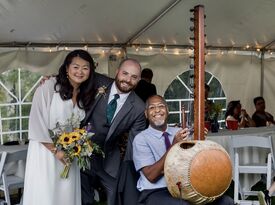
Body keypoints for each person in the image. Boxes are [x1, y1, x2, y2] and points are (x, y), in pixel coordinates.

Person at [23, 49, 97, 205]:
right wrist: (56, 151)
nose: (80, 71)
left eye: (85, 68)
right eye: (76, 67)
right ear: (66, 68)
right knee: (47, 195)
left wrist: (77, 146)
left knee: (67, 195)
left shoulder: (85, 93)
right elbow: (36, 122)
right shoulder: (48, 87)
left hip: (70, 154)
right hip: (46, 153)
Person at [133, 95, 234, 205]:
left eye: (161, 106)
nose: (157, 110)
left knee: (225, 201)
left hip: (186, 190)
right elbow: (151, 176)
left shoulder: (180, 132)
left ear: (167, 111)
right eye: (152, 107)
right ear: (146, 114)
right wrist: (174, 145)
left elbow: (194, 162)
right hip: (155, 191)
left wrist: (199, 141)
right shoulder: (141, 139)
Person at [81, 58, 146, 205]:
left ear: (139, 80)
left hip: (109, 159)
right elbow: (74, 75)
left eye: (134, 77)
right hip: (80, 154)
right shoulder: (98, 81)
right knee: (84, 198)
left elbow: (135, 144)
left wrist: (128, 171)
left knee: (115, 197)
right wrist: (51, 80)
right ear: (117, 72)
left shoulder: (139, 108)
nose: (128, 80)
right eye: (125, 73)